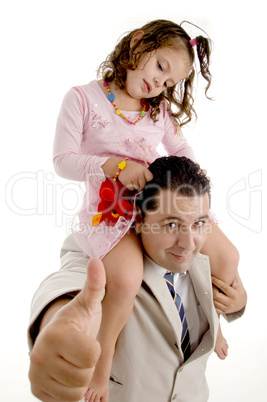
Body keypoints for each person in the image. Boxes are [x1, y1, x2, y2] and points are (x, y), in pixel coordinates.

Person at [52, 19, 238, 401]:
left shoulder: (157, 110)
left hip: (159, 202)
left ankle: (214, 319)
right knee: (124, 281)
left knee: (226, 254)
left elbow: (181, 150)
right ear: (138, 44)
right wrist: (115, 166)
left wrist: (191, 181)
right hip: (114, 211)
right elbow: (63, 160)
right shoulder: (83, 99)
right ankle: (101, 367)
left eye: (169, 82)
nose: (159, 84)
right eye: (159, 68)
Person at [28, 156, 247, 402]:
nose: (188, 244)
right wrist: (56, 325)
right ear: (141, 220)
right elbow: (66, 283)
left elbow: (226, 270)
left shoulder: (206, 256)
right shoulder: (107, 257)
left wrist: (239, 301)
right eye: (171, 224)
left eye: (198, 223)